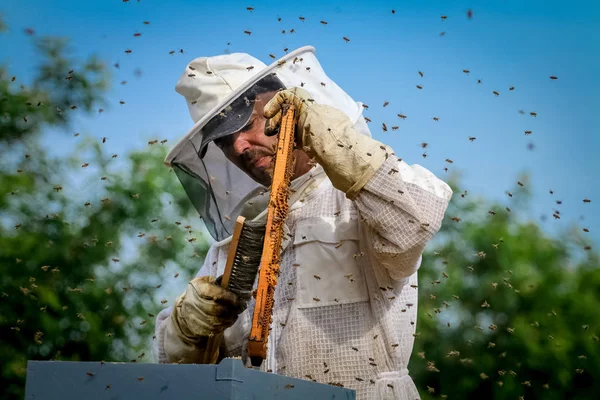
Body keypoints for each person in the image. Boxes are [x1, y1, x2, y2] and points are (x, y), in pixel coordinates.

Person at [153, 46, 453, 399]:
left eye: (247, 123)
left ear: (286, 108)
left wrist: (339, 146)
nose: (239, 146)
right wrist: (186, 329)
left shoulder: (359, 199)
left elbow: (416, 220)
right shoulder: (237, 239)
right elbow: (173, 369)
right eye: (223, 139)